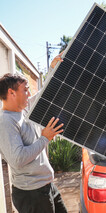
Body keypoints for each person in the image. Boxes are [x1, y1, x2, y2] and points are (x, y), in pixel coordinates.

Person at [0, 53, 67, 213]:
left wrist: (53, 69)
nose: (29, 94)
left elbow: (45, 93)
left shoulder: (24, 109)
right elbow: (18, 159)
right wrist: (45, 138)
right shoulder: (6, 122)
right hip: (31, 194)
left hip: (46, 185)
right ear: (12, 93)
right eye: (26, 90)